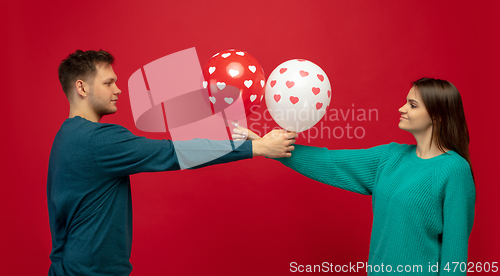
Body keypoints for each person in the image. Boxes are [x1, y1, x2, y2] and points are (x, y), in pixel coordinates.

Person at [47, 49, 297, 276]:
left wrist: (230, 139)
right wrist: (258, 147)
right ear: (82, 88)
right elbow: (174, 153)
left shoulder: (67, 136)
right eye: (108, 82)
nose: (118, 89)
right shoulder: (98, 141)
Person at [234, 78, 476, 275]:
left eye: (413, 105)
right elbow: (330, 162)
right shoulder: (390, 156)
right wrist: (264, 146)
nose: (401, 109)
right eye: (406, 102)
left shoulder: (454, 170)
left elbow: (455, 255)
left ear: (437, 116)